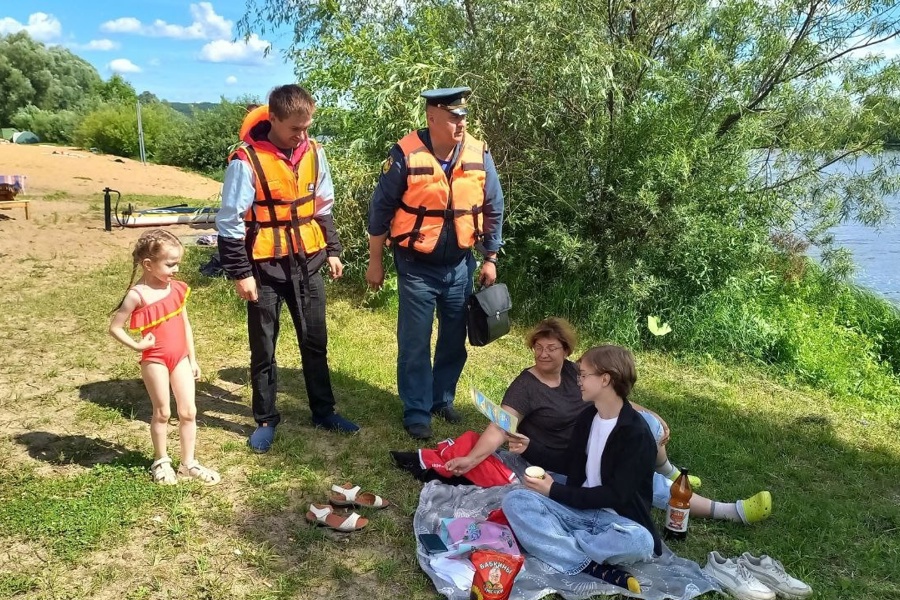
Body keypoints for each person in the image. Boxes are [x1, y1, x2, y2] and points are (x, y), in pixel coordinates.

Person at [445, 318, 772, 525]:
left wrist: (645, 411)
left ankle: (674, 474)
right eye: (538, 348)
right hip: (566, 459)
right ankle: (729, 510)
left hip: (599, 440)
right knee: (640, 484)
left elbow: (611, 395)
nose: (543, 355)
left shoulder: (576, 371)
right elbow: (500, 425)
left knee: (649, 428)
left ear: (566, 351)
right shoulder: (525, 386)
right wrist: (473, 457)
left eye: (551, 348)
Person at [216, 84, 359, 454]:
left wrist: (333, 250)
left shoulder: (314, 152)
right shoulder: (245, 161)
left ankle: (324, 412)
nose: (303, 135)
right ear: (273, 118)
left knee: (315, 341)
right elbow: (230, 222)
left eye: (308, 126)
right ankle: (265, 419)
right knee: (263, 347)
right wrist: (240, 272)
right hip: (263, 268)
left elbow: (322, 204)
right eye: (295, 128)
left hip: (307, 262)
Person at [366, 86, 505, 440]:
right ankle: (416, 410)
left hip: (460, 264)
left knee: (453, 340)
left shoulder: (478, 152)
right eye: (454, 117)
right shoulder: (405, 154)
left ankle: (442, 400)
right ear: (432, 117)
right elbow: (380, 210)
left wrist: (490, 257)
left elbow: (493, 207)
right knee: (415, 341)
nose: (461, 123)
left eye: (464, 117)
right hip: (416, 265)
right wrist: (376, 261)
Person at [501, 345, 657, 593]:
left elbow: (616, 495)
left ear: (605, 379)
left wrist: (554, 491)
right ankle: (591, 564)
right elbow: (569, 462)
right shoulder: (588, 418)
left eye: (584, 375)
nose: (579, 381)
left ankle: (561, 545)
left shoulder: (635, 434)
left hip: (615, 522)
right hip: (577, 510)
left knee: (641, 542)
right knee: (515, 500)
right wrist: (530, 448)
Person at [109, 229, 221, 486]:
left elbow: (186, 325)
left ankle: (188, 463)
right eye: (170, 264)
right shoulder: (138, 295)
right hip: (155, 360)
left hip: (180, 358)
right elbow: (115, 327)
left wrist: (192, 359)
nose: (176, 268)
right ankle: (161, 461)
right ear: (148, 264)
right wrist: (138, 346)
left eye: (177, 262)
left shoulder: (176, 289)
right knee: (162, 412)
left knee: (189, 411)